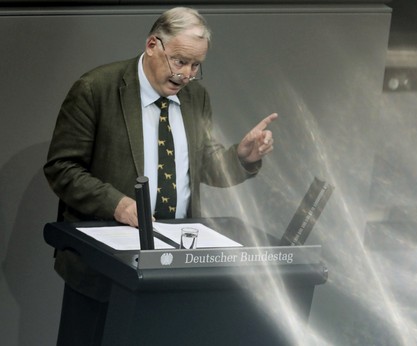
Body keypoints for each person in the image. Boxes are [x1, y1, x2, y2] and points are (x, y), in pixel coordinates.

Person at [43, 7, 277, 345]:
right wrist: (118, 204)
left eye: (196, 66)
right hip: (106, 268)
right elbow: (62, 169)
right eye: (179, 61)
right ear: (153, 45)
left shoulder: (197, 97)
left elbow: (203, 164)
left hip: (176, 267)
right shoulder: (97, 89)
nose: (186, 74)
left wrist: (241, 157)